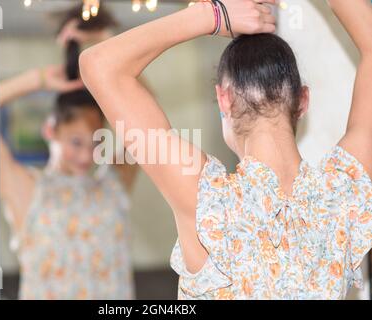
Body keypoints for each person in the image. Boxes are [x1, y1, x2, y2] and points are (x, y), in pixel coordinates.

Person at [79, 0, 372, 299]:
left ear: (224, 100)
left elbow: (99, 64)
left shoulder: (207, 199)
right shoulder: (342, 191)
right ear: (302, 101)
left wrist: (213, 15)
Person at [0, 6, 137, 300]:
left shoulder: (113, 184)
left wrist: (106, 45)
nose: (87, 156)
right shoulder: (27, 189)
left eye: (96, 143)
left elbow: (145, 120)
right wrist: (38, 80)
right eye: (76, 142)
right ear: (51, 130)